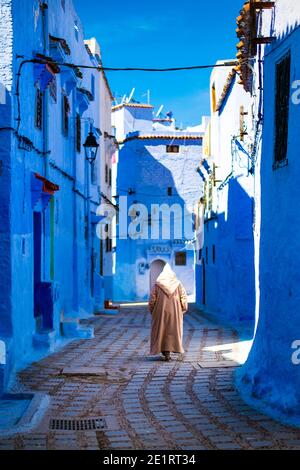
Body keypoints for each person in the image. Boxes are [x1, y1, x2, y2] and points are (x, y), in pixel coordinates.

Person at [148, 263, 188, 361]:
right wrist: (183, 309)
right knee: (172, 330)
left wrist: (153, 311)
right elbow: (183, 298)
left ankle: (164, 351)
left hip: (160, 312)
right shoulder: (178, 284)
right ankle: (168, 352)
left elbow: (152, 300)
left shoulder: (157, 285)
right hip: (175, 311)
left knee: (161, 331)